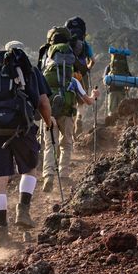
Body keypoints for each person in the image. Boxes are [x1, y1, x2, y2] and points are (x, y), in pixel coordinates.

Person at [0, 41, 55, 248]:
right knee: (29, 170)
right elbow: (43, 103)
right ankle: (23, 210)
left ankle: (1, 232)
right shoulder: (30, 71)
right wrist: (48, 122)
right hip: (22, 128)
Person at [39, 27, 99, 192]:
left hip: (49, 112)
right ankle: (64, 175)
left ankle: (48, 175)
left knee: (50, 144)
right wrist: (94, 95)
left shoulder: (44, 75)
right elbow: (87, 101)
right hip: (67, 112)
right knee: (66, 143)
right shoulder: (73, 79)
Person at [105, 48, 133, 121]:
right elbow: (130, 78)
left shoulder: (110, 67)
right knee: (122, 110)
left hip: (112, 91)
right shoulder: (124, 67)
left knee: (112, 110)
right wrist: (127, 87)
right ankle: (121, 124)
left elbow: (105, 80)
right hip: (122, 90)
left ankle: (112, 124)